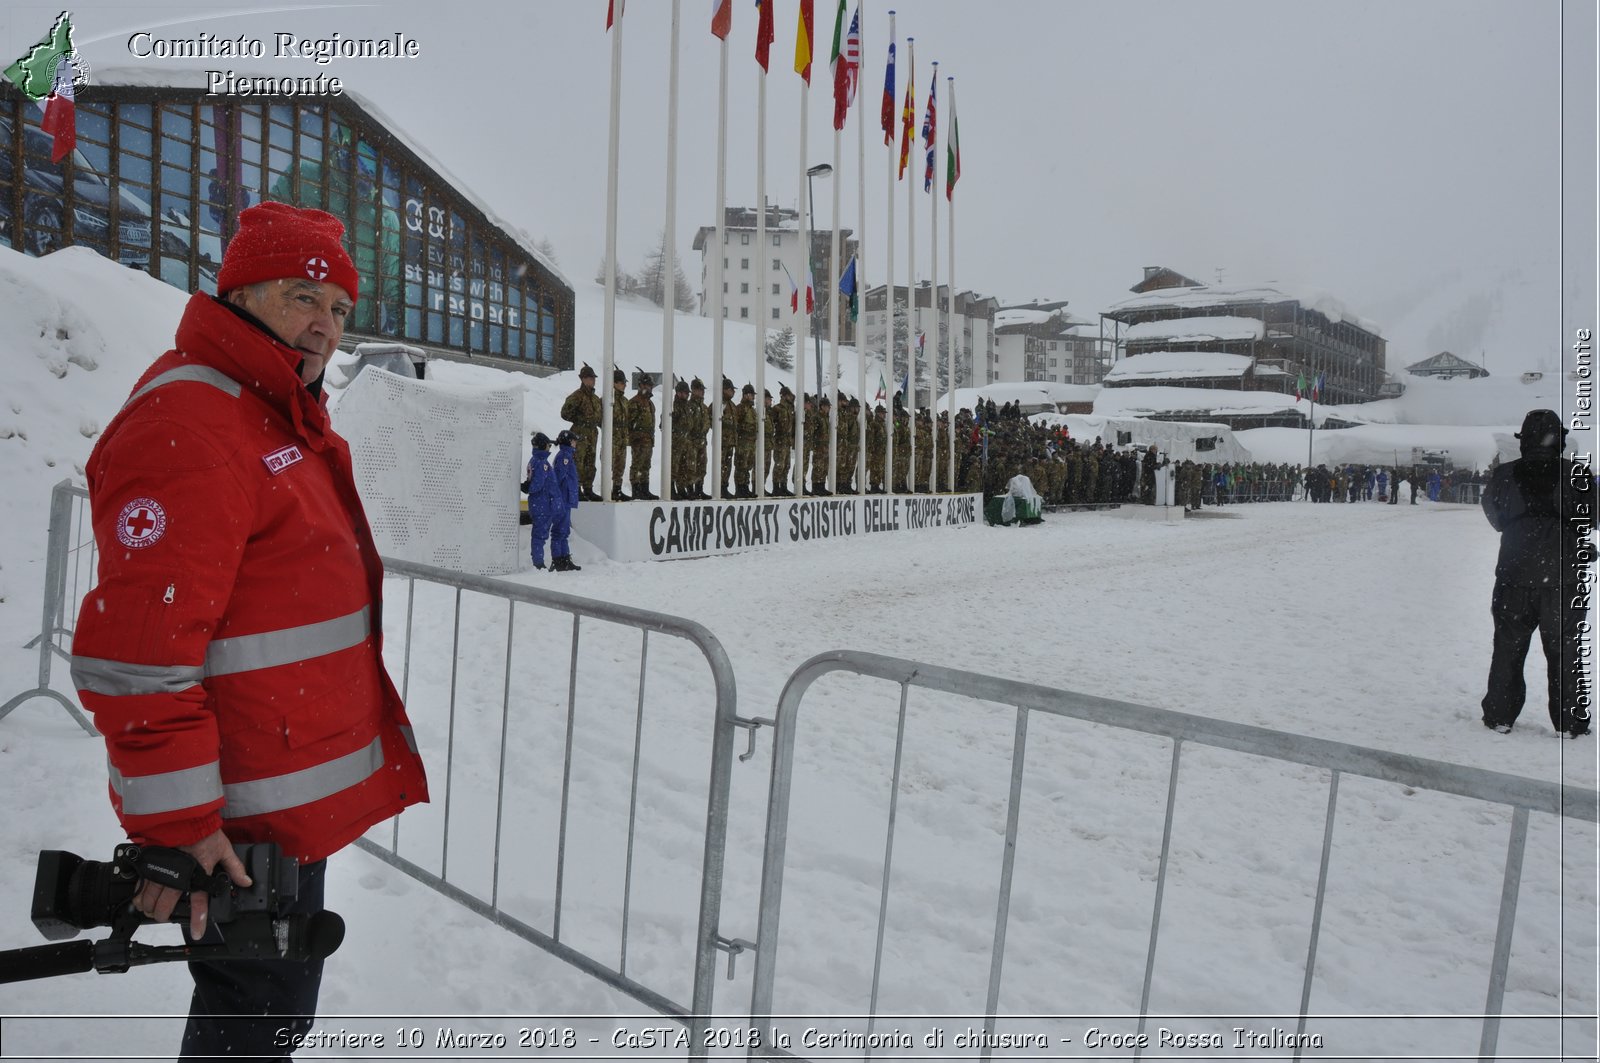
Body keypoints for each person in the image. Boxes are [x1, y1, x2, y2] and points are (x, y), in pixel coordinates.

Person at [68, 202, 429, 1058]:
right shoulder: (193, 422)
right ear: (241, 293)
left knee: (264, 1023)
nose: (326, 326)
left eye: (340, 309)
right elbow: (138, 656)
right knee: (250, 1032)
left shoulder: (271, 411)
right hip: (231, 828)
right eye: (303, 296)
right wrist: (185, 821)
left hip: (272, 813)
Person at [1480, 410, 1593, 736]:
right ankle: (1570, 722)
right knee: (1566, 651)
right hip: (1564, 580)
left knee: (1508, 648)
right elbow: (1592, 518)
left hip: (1514, 576)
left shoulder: (1504, 475)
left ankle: (1500, 715)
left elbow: (1495, 516)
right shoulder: (1578, 475)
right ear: (1559, 439)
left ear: (1524, 439)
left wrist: (1521, 528)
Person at [559, 364, 602, 502]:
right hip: (580, 433)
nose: (592, 381)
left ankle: (588, 488)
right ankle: (576, 489)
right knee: (578, 461)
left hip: (592, 433)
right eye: (590, 378)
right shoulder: (577, 396)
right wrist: (579, 420)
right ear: (583, 379)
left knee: (590, 461)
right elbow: (565, 413)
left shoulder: (596, 399)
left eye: (593, 378)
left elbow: (599, 416)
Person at [525, 431, 558, 570]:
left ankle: (538, 561)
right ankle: (538, 563)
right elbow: (537, 484)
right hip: (542, 503)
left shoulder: (535, 460)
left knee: (539, 534)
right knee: (540, 535)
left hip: (538, 503)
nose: (549, 448)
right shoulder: (541, 462)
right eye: (548, 445)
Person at [550, 430, 582, 571]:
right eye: (574, 440)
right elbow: (558, 477)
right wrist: (559, 497)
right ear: (569, 442)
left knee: (564, 530)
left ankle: (564, 559)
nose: (576, 443)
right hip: (562, 498)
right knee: (559, 531)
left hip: (565, 498)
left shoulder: (567, 455)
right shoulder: (564, 456)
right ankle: (558, 560)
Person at [627, 372, 659, 501]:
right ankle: (636, 490)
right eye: (646, 385)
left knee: (646, 465)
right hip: (639, 440)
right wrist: (635, 434)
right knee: (637, 464)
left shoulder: (650, 403)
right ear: (640, 385)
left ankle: (645, 489)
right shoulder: (634, 402)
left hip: (648, 439)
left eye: (650, 385)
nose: (648, 387)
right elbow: (629, 422)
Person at [609, 368, 631, 501]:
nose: (625, 386)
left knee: (620, 467)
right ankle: (608, 490)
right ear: (615, 383)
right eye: (622, 383)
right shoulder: (609, 399)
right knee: (609, 465)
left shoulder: (624, 401)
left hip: (622, 439)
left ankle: (617, 490)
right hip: (612, 439)